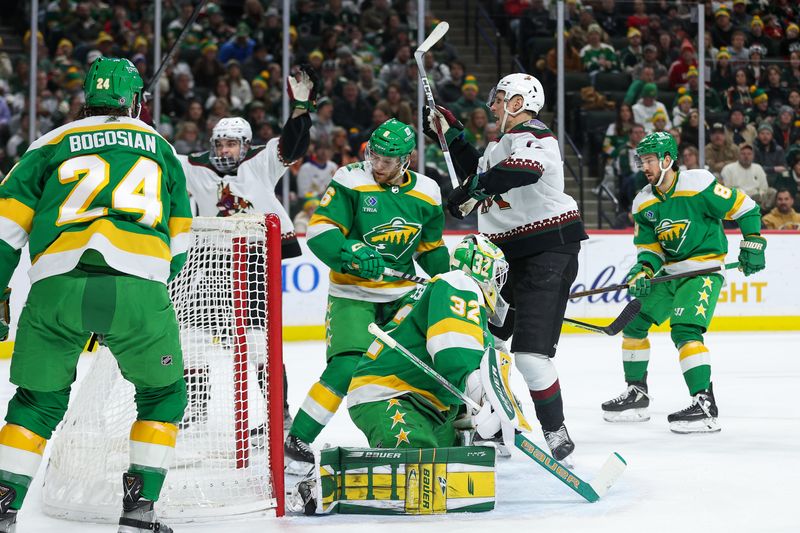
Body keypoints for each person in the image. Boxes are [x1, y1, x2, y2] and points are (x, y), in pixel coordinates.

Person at [0, 57, 193, 533]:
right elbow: (182, 241)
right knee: (163, 397)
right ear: (135, 101)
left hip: (55, 291)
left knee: (37, 403)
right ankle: (139, 509)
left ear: (86, 98)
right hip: (138, 290)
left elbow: (5, 232)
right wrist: (141, 294)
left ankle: (3, 506)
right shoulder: (160, 147)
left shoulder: (49, 143)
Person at [434, 73, 588, 462]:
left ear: (520, 102)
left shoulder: (536, 136)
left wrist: (475, 190)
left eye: (500, 98)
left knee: (530, 356)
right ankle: (501, 417)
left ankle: (555, 429)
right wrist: (451, 135)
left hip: (547, 252)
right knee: (488, 341)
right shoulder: (500, 146)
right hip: (504, 259)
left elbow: (520, 171)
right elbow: (479, 173)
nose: (493, 105)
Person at [284, 118, 451, 466]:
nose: (376, 166)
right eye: (373, 156)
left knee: (430, 362)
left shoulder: (428, 192)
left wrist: (449, 280)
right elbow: (320, 232)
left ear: (407, 160)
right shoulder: (350, 179)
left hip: (403, 297)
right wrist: (352, 254)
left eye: (386, 162)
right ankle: (297, 440)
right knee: (346, 367)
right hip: (352, 294)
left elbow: (430, 249)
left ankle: (451, 429)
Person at [176, 65, 318, 434]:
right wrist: (134, 121)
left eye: (231, 144)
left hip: (256, 258)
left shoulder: (261, 161)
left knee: (258, 342)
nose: (225, 150)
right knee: (188, 334)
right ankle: (196, 403)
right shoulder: (195, 166)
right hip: (209, 261)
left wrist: (301, 106)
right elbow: (158, 158)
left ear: (245, 144)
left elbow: (293, 143)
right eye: (220, 143)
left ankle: (278, 413)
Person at [600, 132, 765, 433]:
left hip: (703, 271)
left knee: (685, 330)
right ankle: (637, 394)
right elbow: (650, 250)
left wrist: (753, 241)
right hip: (671, 274)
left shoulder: (698, 183)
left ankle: (704, 405)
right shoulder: (643, 202)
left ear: (667, 159)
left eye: (649, 160)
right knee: (634, 324)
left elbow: (746, 207)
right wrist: (642, 272)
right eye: (642, 161)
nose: (644, 166)